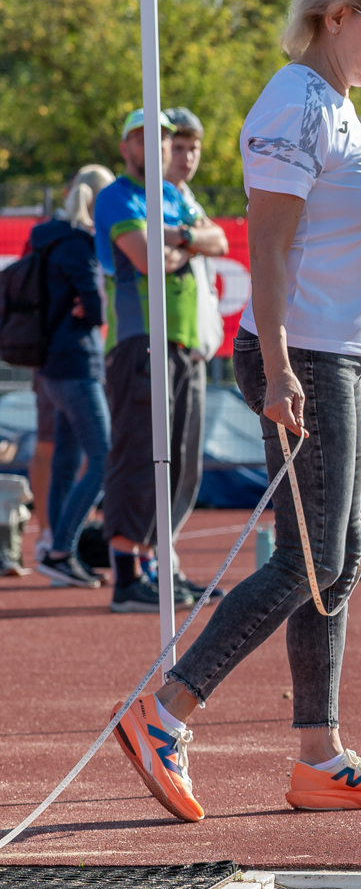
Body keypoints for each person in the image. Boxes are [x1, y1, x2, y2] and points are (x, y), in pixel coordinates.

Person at [110, 0, 361, 823]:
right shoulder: (294, 101)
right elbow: (272, 246)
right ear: (335, 13)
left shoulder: (338, 107)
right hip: (303, 357)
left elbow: (343, 251)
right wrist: (284, 368)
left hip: (339, 358)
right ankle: (163, 711)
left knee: (341, 560)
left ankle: (320, 756)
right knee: (310, 559)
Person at [96, 107, 228, 610]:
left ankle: (155, 567)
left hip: (185, 343)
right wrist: (184, 243)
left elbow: (218, 240)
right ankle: (127, 577)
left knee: (179, 461)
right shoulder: (117, 196)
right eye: (143, 137)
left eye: (164, 139)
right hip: (140, 341)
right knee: (138, 453)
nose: (156, 146)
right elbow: (150, 260)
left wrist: (178, 240)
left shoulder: (173, 197)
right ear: (126, 147)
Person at [30, 166, 114, 588]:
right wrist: (92, 305)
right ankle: (62, 548)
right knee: (104, 457)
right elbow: (95, 308)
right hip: (77, 362)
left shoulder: (44, 238)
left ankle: (55, 549)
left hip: (48, 363)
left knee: (65, 460)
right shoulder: (81, 244)